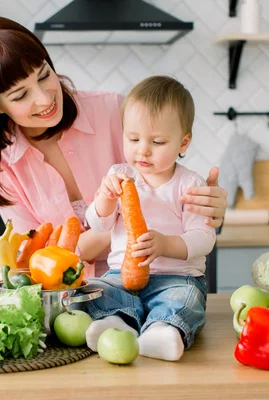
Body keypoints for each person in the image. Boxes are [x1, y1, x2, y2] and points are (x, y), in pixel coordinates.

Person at [0, 16, 227, 277]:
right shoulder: (4, 168)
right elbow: (37, 259)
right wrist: (119, 230)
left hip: (156, 282)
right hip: (68, 305)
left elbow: (173, 197)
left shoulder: (113, 111)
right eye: (21, 95)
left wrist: (207, 207)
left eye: (44, 75)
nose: (45, 99)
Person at [81, 76, 215, 362]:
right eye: (133, 139)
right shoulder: (119, 175)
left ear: (183, 142)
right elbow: (98, 224)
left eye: (157, 141)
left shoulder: (190, 183)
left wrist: (165, 245)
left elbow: (204, 239)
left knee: (184, 301)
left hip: (177, 278)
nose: (143, 150)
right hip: (121, 275)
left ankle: (164, 330)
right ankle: (117, 323)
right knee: (97, 289)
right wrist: (105, 198)